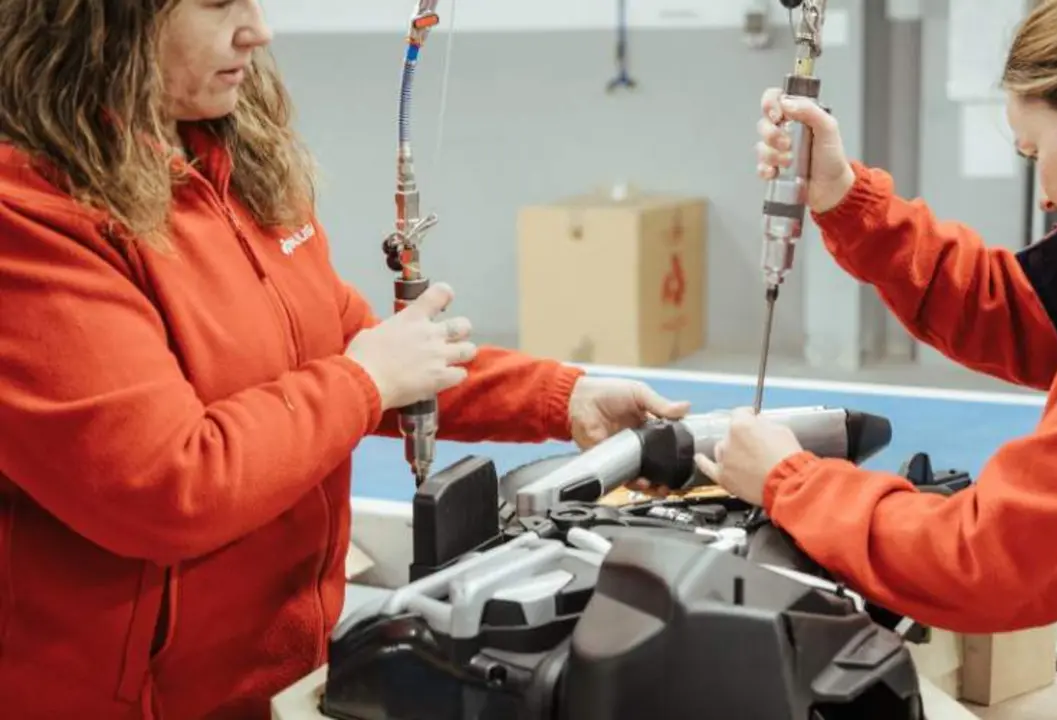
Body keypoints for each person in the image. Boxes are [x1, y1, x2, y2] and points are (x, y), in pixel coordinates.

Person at [0, 1, 689, 718]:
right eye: (216, 4)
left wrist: (562, 397)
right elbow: (169, 482)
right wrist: (364, 381)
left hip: (262, 683)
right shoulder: (29, 216)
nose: (257, 30)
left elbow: (360, 348)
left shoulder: (229, 161)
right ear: (101, 22)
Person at [699, 0, 1057, 716]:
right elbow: (1028, 313)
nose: (1044, 196)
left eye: (1034, 150)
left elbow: (993, 557)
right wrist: (845, 197)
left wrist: (788, 481)